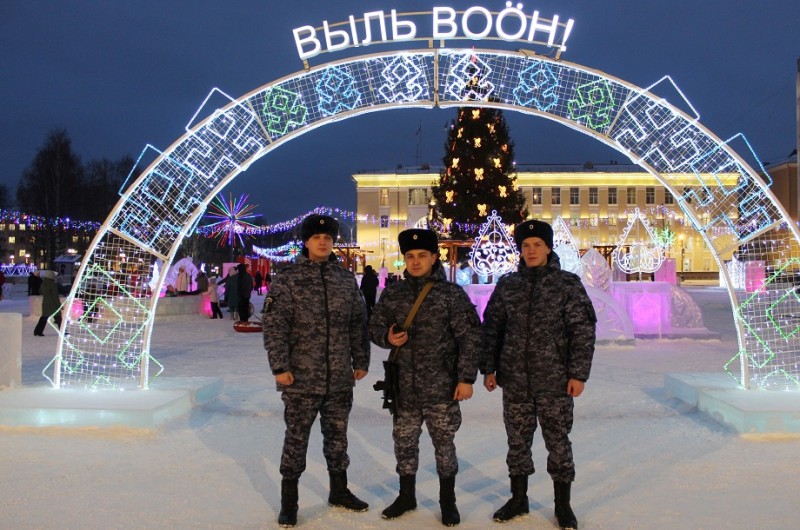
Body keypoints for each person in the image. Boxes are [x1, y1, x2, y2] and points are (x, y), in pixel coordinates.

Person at [480, 220, 597, 529]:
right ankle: (519, 499)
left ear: (548, 248)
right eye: (526, 246)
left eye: (537, 245)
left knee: (558, 443)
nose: (531, 251)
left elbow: (582, 332)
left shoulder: (567, 284)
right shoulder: (508, 285)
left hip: (555, 381)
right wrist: (489, 368)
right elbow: (493, 328)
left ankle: (563, 506)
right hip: (515, 381)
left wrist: (578, 374)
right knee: (517, 442)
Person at [262, 214, 371, 528]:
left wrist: (361, 360)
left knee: (337, 438)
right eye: (316, 237)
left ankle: (339, 490)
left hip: (339, 377)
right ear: (306, 242)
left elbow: (356, 324)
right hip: (300, 378)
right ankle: (289, 502)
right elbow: (275, 327)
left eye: (327, 237)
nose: (323, 241)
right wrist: (280, 367)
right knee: (296, 439)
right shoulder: (288, 279)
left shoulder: (345, 279)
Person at [368, 228, 481, 527]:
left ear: (434, 257)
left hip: (442, 387)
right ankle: (407, 496)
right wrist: (387, 337)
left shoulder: (451, 295)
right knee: (404, 443)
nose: (415, 261)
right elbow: (374, 326)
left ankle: (448, 502)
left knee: (444, 445)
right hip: (403, 386)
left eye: (422, 256)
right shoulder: (394, 293)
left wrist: (465, 378)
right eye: (410, 256)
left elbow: (470, 338)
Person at [33, 270, 62, 336]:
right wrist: (59, 305)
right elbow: (55, 297)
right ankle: (63, 331)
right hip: (53, 305)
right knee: (59, 318)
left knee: (44, 318)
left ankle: (37, 331)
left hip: (45, 303)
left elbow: (40, 292)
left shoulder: (43, 284)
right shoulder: (53, 284)